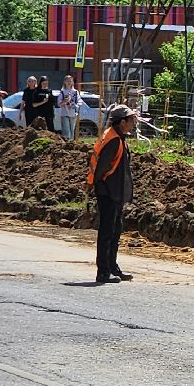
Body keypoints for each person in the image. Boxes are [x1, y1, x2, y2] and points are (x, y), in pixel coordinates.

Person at [87, 104, 136, 284]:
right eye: (131, 120)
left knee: (115, 231)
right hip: (108, 192)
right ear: (122, 122)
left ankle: (112, 267)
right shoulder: (113, 140)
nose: (133, 123)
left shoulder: (117, 137)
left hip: (115, 193)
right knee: (107, 232)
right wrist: (95, 185)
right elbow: (102, 168)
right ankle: (103, 272)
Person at [57, 74, 81, 141]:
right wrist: (65, 101)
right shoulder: (62, 92)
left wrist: (77, 106)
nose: (69, 82)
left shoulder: (75, 92)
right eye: (67, 81)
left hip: (73, 114)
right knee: (66, 132)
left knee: (72, 131)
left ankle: (71, 144)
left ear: (72, 82)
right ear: (65, 82)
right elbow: (59, 104)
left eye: (70, 81)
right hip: (64, 113)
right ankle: (67, 143)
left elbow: (79, 101)